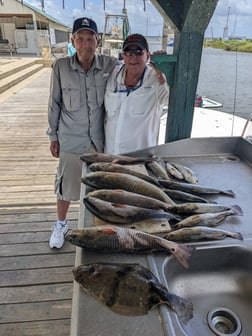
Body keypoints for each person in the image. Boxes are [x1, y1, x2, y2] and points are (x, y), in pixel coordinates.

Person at [46, 17, 118, 248]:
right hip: (70, 137)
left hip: (99, 140)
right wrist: (53, 136)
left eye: (91, 39)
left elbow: (135, 70)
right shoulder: (61, 67)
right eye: (81, 39)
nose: (86, 44)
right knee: (65, 186)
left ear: (98, 41)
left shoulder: (110, 65)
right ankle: (61, 224)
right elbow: (54, 103)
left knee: (100, 186)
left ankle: (97, 228)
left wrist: (154, 70)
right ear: (73, 41)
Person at [104, 33, 169, 155]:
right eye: (128, 52)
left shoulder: (157, 80)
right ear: (123, 56)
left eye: (139, 52)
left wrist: (168, 71)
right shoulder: (112, 74)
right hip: (110, 159)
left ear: (148, 55)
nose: (133, 57)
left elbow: (175, 99)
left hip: (141, 162)